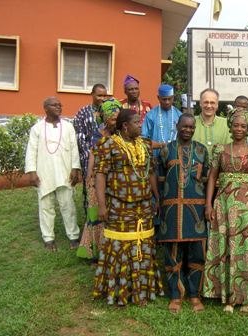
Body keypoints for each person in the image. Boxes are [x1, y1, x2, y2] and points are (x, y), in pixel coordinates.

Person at [92, 109, 163, 306]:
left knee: (143, 245)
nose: (140, 125)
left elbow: (150, 174)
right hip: (118, 205)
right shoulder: (109, 145)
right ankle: (120, 291)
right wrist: (101, 205)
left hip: (143, 205)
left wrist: (156, 198)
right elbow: (100, 175)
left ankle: (143, 290)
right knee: (120, 247)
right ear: (125, 126)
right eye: (137, 122)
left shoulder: (144, 145)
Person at [203, 110, 248, 314]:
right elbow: (212, 177)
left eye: (243, 126)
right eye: (236, 125)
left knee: (247, 249)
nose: (239, 129)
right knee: (226, 247)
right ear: (230, 127)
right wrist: (208, 204)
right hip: (223, 203)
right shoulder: (220, 150)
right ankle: (228, 296)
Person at [157, 113, 209, 313]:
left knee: (197, 254)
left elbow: (206, 180)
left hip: (196, 210)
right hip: (171, 209)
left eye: (191, 127)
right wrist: (160, 205)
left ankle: (195, 295)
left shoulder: (202, 151)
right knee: (173, 254)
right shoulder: (165, 150)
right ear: (177, 126)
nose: (187, 130)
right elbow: (160, 180)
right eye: (184, 126)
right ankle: (176, 295)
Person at [25, 97, 81, 251]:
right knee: (46, 206)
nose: (58, 107)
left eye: (59, 105)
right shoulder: (36, 128)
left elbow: (74, 149)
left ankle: (74, 236)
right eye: (54, 105)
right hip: (44, 173)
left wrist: (75, 169)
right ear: (45, 108)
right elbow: (31, 151)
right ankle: (48, 239)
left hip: (65, 172)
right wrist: (31, 172)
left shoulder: (69, 127)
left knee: (68, 206)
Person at [76, 98, 121, 260]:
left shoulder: (123, 133)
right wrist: (89, 178)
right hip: (98, 177)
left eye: (118, 117)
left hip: (115, 179)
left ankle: (111, 249)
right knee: (96, 216)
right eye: (112, 118)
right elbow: (93, 155)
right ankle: (95, 253)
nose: (115, 121)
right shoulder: (99, 133)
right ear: (105, 118)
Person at [73, 84, 107, 215]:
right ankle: (91, 223)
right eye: (99, 95)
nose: (102, 99)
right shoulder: (82, 113)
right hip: (89, 160)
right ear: (92, 94)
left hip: (107, 160)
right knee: (91, 190)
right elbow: (80, 140)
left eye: (104, 95)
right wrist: (92, 160)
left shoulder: (108, 112)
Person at [142, 84, 182, 157]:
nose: (167, 102)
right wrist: (160, 145)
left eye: (169, 99)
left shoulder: (179, 115)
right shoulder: (150, 115)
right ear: (158, 98)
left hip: (175, 159)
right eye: (164, 99)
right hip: (154, 159)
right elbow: (143, 139)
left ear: (173, 98)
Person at [193, 88, 230, 160]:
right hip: (195, 169)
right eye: (206, 102)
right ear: (200, 103)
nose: (209, 106)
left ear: (217, 105)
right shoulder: (191, 123)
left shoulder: (226, 124)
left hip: (220, 169)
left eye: (212, 103)